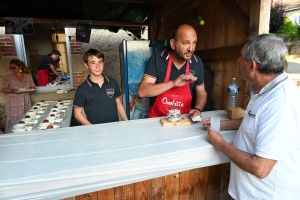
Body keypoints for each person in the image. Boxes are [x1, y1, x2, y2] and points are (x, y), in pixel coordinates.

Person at [202, 34, 300, 199]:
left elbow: (260, 168)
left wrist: (219, 142)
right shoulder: (266, 90)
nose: (238, 60)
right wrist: (221, 124)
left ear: (252, 65)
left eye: (241, 57)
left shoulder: (281, 104)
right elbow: (255, 121)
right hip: (246, 192)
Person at [137, 24, 207, 118]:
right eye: (186, 43)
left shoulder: (196, 62)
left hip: (184, 120)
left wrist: (198, 109)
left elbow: (201, 93)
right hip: (157, 120)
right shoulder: (158, 58)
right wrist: (173, 83)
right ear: (173, 44)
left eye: (194, 42)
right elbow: (142, 91)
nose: (191, 48)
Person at [73, 49, 128, 125]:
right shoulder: (82, 89)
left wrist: (127, 122)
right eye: (93, 63)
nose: (98, 66)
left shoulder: (112, 83)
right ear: (86, 65)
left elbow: (118, 103)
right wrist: (93, 128)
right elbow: (77, 114)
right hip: (95, 132)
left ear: (103, 63)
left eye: (100, 62)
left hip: (114, 128)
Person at [1, 59, 36, 129]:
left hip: (25, 99)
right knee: (13, 119)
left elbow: (33, 87)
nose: (12, 69)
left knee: (26, 117)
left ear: (20, 67)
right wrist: (13, 90)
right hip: (12, 100)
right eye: (10, 67)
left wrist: (31, 89)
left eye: (14, 67)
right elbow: (3, 89)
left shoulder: (28, 76)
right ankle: (12, 134)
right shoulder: (8, 77)